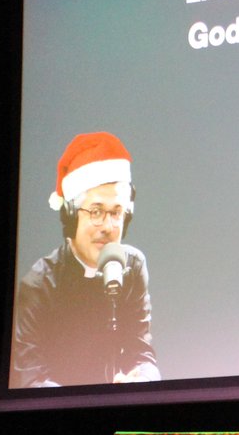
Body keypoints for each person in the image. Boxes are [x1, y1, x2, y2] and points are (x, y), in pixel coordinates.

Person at [12, 131, 160, 388]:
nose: (108, 226)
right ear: (71, 216)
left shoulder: (133, 266)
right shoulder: (39, 283)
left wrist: (143, 379)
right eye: (96, 211)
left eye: (116, 212)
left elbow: (142, 353)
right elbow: (30, 378)